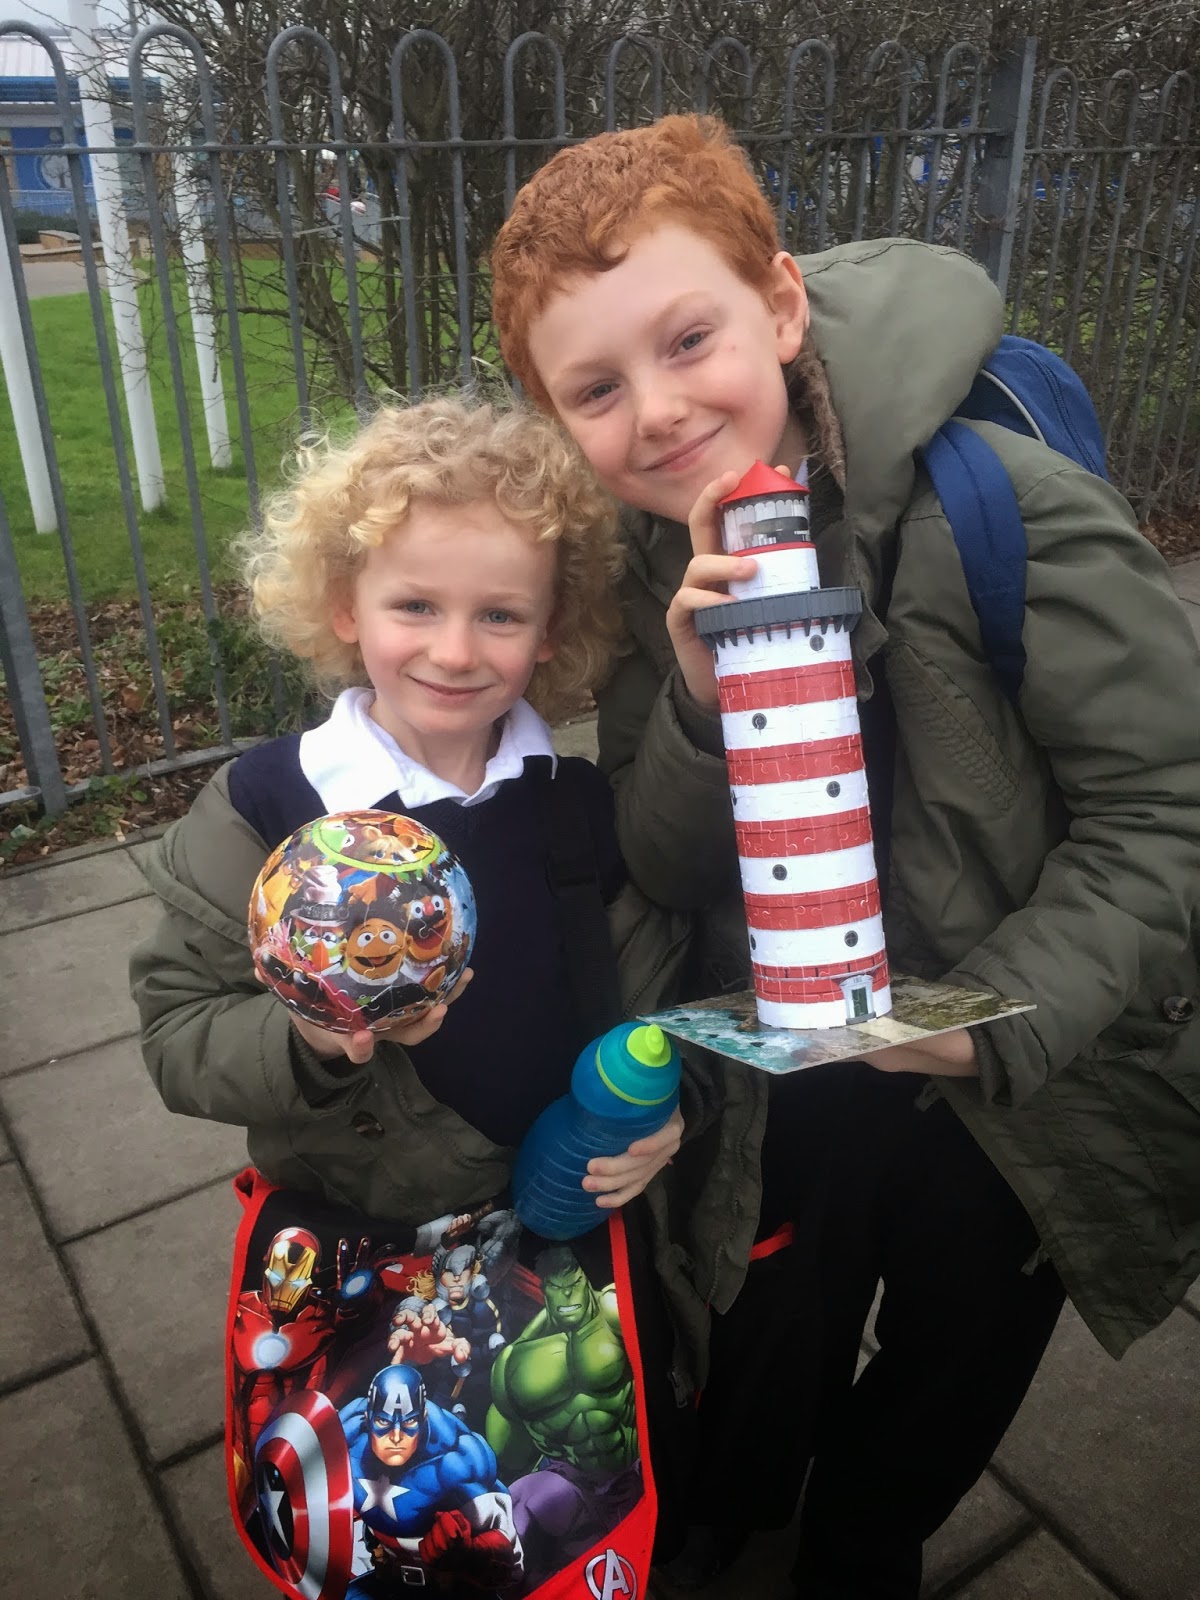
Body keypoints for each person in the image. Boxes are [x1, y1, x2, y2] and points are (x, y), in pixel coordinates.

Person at [490, 113, 1200, 1597]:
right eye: (597, 389)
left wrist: (987, 1026)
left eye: (690, 339)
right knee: (766, 1339)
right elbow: (663, 864)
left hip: (1010, 1091)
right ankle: (741, 1524)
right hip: (789, 1073)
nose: (659, 410)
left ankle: (865, 1545)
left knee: (947, 1374)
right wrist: (695, 699)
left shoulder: (999, 507)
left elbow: (1170, 807)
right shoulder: (651, 560)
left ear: (782, 304)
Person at [128, 395, 691, 1582]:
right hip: (365, 1233)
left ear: (550, 630)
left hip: (556, 1228)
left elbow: (645, 998)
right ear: (346, 606)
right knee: (388, 1522)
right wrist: (312, 1039)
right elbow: (178, 1030)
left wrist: (661, 1106)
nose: (455, 650)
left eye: (501, 614)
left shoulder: (572, 807)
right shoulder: (267, 810)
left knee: (545, 1508)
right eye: (415, 606)